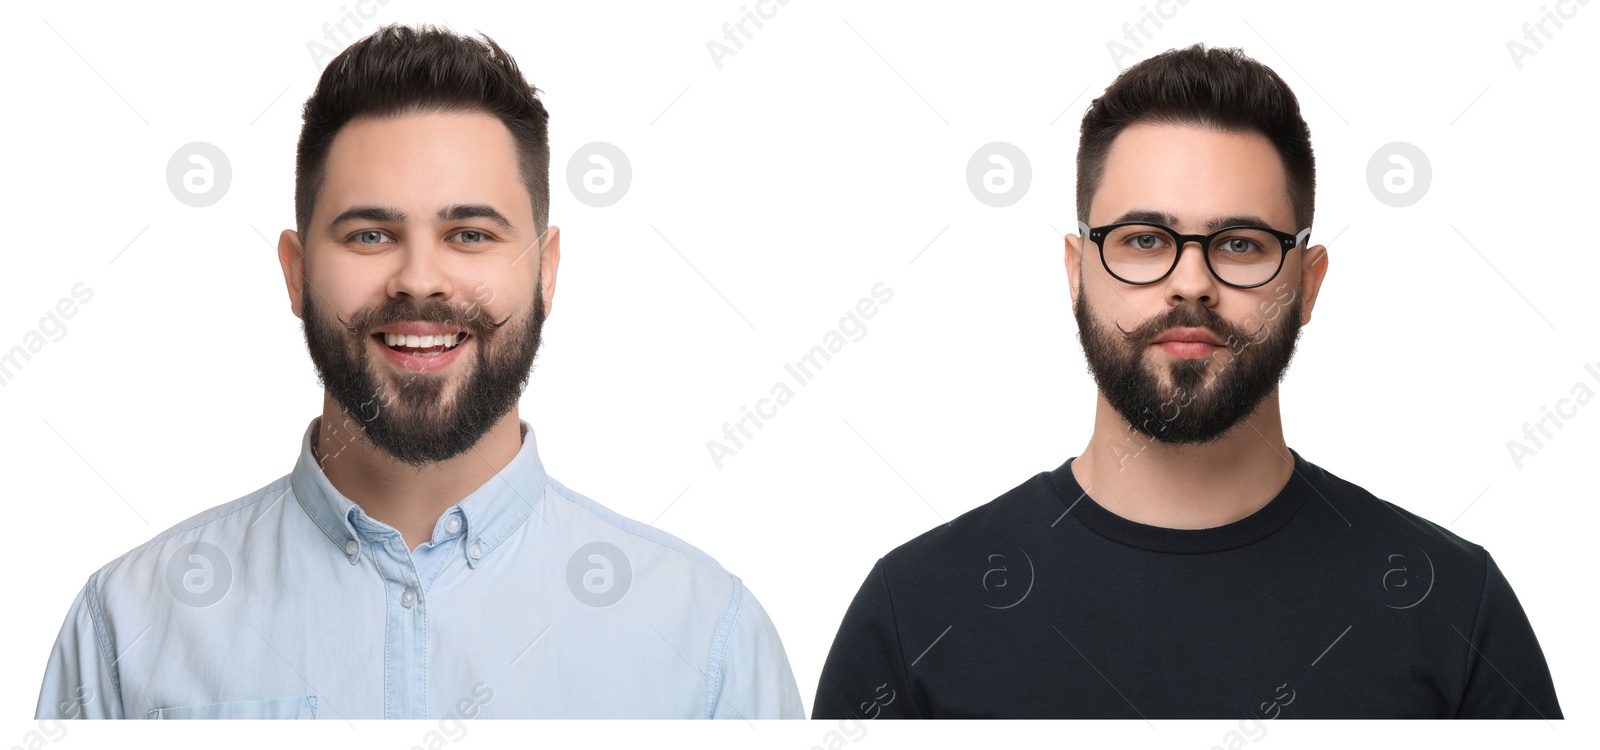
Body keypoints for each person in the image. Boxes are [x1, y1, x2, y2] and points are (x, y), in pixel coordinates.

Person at [35, 24, 803, 720]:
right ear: (296, 273)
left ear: (546, 271)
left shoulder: (707, 644)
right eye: (370, 234)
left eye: (469, 233)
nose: (420, 280)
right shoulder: (127, 626)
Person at [812, 44, 1562, 719]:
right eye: (1144, 240)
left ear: (1308, 283)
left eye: (1240, 244)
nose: (1191, 283)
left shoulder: (1452, 606)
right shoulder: (916, 612)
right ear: (1076, 271)